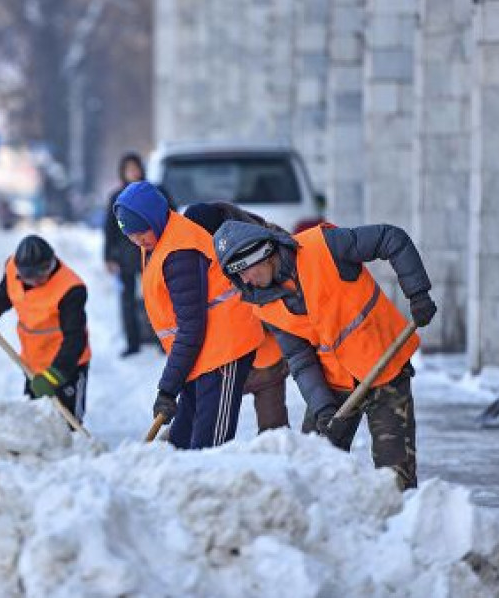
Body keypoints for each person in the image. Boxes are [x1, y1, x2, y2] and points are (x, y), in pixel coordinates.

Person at [214, 220, 437, 490]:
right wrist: (322, 406)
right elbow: (300, 358)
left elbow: (392, 238)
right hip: (335, 385)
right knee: (310, 473)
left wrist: (418, 292)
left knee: (395, 481)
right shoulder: (264, 305)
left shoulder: (324, 247)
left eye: (245, 271)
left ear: (262, 253)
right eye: (237, 276)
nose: (245, 281)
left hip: (385, 368)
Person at [114, 181, 263, 448]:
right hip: (200, 352)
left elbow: (190, 326)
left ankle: (212, 489)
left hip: (224, 350)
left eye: (141, 232)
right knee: (182, 437)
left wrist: (168, 388)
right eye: (130, 236)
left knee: (209, 446)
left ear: (154, 217)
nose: (137, 240)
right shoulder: (159, 240)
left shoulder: (179, 252)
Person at [184, 203, 290, 433]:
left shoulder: (261, 244)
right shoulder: (193, 257)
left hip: (264, 356)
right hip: (223, 360)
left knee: (274, 433)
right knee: (203, 424)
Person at [0, 235, 91, 423]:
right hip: (32, 365)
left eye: (41, 275)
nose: (35, 282)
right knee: (35, 424)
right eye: (29, 278)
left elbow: (75, 339)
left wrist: (55, 375)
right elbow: (4, 295)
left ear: (50, 264)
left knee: (68, 425)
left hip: (67, 367)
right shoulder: (12, 269)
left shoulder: (71, 289)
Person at [103, 153, 146, 357]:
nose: (133, 172)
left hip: (153, 254)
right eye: (128, 169)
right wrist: (108, 257)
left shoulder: (153, 192)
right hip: (125, 257)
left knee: (160, 298)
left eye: (135, 167)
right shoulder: (116, 197)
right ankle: (133, 342)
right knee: (127, 300)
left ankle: (164, 339)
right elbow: (109, 230)